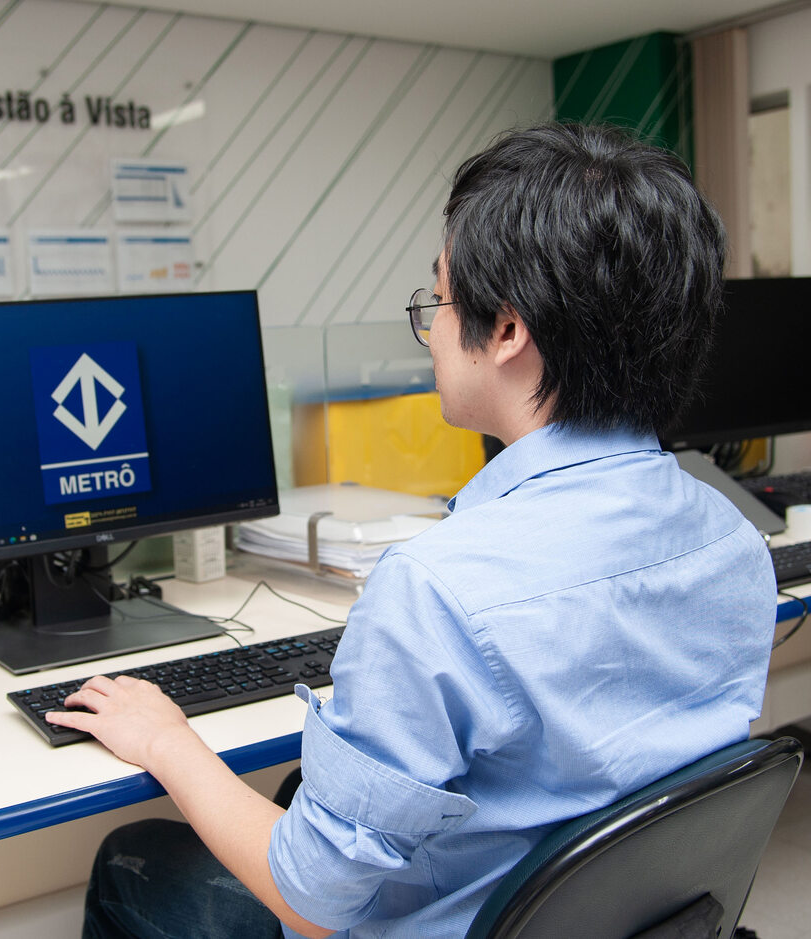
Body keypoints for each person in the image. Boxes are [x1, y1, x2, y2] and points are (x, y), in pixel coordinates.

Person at [46, 122, 776, 938]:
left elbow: (309, 902)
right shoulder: (734, 540)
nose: (431, 330)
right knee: (296, 792)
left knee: (132, 857)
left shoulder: (438, 588)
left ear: (506, 331)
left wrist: (167, 737)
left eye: (440, 298)